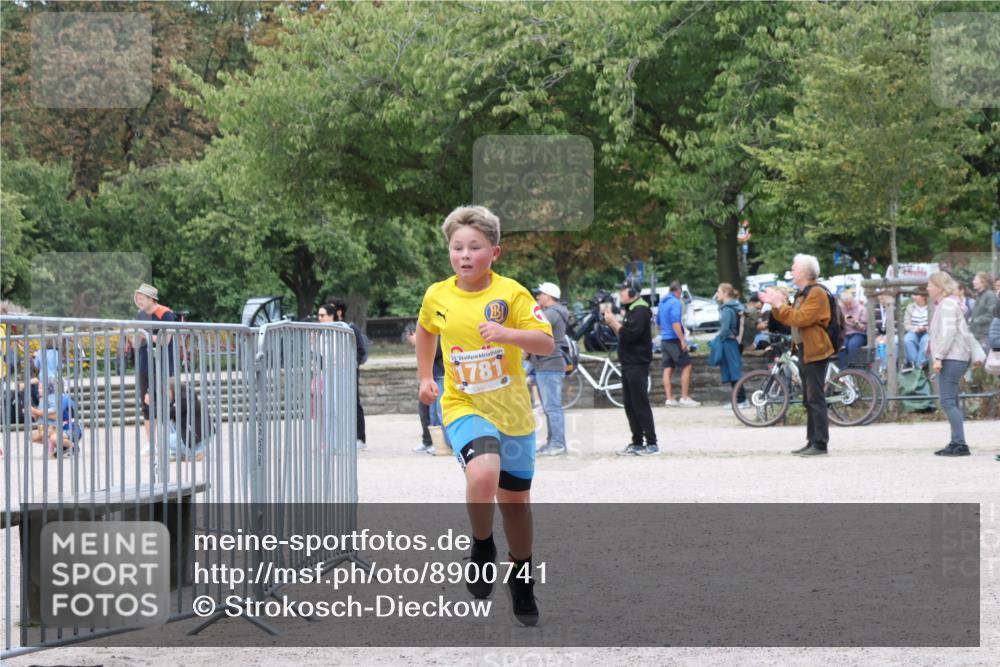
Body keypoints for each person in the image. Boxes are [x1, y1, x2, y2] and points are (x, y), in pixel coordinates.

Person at [415, 205, 553, 627]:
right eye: (457, 247)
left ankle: (521, 576)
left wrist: (509, 334)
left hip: (513, 413)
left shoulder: (512, 293)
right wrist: (424, 376)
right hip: (463, 405)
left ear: (495, 252)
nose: (465, 255)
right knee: (482, 474)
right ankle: (481, 546)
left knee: (515, 506)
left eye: (475, 247)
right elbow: (425, 332)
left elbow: (545, 344)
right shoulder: (438, 295)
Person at [759, 254, 834, 456]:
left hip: (816, 350)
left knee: (815, 397)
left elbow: (800, 318)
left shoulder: (816, 293)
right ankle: (812, 440)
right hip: (804, 349)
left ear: (804, 272)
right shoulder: (803, 293)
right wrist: (775, 305)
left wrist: (779, 304)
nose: (791, 271)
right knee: (809, 398)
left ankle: (820, 443)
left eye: (794, 268)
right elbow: (788, 318)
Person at [605, 278, 658, 456]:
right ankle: (637, 442)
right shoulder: (632, 310)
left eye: (623, 290)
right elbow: (624, 335)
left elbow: (629, 336)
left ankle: (651, 443)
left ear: (633, 293)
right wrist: (613, 323)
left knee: (640, 403)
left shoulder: (641, 310)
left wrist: (613, 322)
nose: (620, 293)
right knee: (630, 403)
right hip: (628, 363)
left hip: (637, 363)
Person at [927, 272, 975, 457]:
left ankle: (960, 444)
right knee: (952, 401)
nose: (927, 288)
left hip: (951, 357)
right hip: (954, 357)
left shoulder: (947, 305)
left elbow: (948, 334)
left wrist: (938, 357)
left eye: (930, 285)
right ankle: (956, 441)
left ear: (939, 287)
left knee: (947, 401)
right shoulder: (948, 304)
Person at [528, 282, 569, 456]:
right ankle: (552, 442)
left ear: (549, 296)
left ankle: (558, 443)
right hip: (548, 364)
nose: (538, 297)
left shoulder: (550, 314)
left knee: (553, 407)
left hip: (549, 364)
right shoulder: (555, 312)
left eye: (540, 294)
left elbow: (533, 330)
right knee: (550, 407)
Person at [133, 283, 175, 448]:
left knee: (166, 402)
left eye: (141, 297)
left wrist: (145, 336)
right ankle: (151, 443)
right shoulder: (140, 315)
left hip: (163, 364)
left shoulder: (166, 314)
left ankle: (171, 440)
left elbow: (166, 340)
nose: (138, 300)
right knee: (146, 403)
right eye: (137, 297)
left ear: (151, 298)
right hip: (144, 363)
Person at [328, 299, 368, 450]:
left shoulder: (350, 328)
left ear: (338, 312)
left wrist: (351, 365)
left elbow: (361, 351)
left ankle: (360, 437)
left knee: (354, 403)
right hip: (334, 371)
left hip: (349, 371)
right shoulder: (329, 330)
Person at [657, 281, 699, 407]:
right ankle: (684, 398)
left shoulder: (662, 302)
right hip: (674, 340)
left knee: (667, 368)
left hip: (664, 340)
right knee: (687, 366)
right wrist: (682, 340)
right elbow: (675, 322)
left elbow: (658, 322)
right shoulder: (675, 302)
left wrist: (665, 332)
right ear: (679, 291)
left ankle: (669, 399)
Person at [405, 323, 444, 455]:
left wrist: (419, 343)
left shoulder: (441, 328)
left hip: (439, 375)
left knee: (438, 413)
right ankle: (430, 441)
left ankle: (443, 444)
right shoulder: (427, 324)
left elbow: (437, 351)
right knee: (427, 413)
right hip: (429, 376)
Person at [710, 283, 745, 406]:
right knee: (734, 370)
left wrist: (719, 338)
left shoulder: (726, 309)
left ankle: (741, 400)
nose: (717, 294)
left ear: (725, 293)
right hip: (734, 341)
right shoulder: (735, 306)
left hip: (729, 342)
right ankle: (740, 399)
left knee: (733, 372)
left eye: (719, 291)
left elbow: (725, 329)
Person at [166, 381, 213, 462]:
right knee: (171, 422)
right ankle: (179, 453)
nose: (166, 394)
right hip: (202, 435)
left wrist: (152, 404)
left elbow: (165, 413)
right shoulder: (184, 398)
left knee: (164, 440)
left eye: (167, 391)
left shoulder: (183, 401)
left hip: (199, 437)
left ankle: (196, 453)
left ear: (172, 390)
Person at [837, 289, 867, 368]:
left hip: (858, 333)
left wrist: (855, 322)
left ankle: (853, 368)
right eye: (846, 304)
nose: (848, 306)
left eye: (850, 304)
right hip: (845, 333)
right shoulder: (839, 309)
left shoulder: (861, 309)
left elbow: (864, 328)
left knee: (852, 345)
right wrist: (842, 319)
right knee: (842, 345)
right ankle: (843, 370)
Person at [902, 290, 930, 369]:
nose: (913, 296)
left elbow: (935, 323)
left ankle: (919, 365)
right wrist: (916, 329)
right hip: (914, 330)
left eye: (916, 295)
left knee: (926, 341)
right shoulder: (910, 307)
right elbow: (907, 324)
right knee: (907, 339)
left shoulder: (931, 306)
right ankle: (915, 364)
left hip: (928, 331)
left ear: (923, 297)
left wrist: (926, 328)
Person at [970, 272, 997, 349]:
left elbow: (992, 314)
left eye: (975, 279)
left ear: (983, 281)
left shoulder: (989, 295)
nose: (973, 282)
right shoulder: (979, 295)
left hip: (985, 335)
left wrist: (976, 320)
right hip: (978, 335)